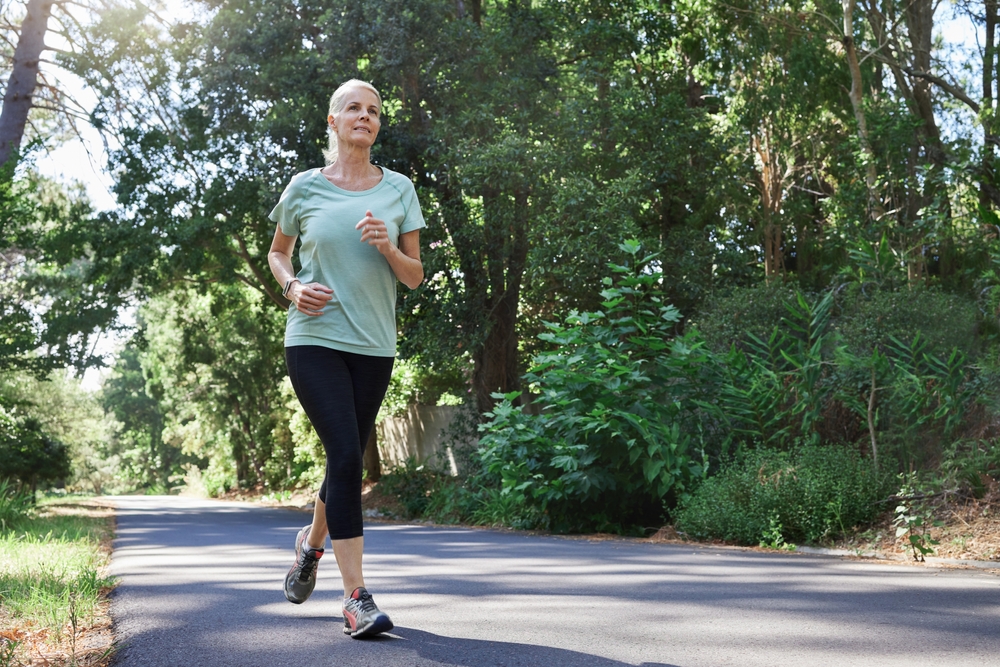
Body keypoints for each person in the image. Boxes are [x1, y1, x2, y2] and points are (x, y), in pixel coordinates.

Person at [267, 79, 424, 639]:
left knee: (344, 460)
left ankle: (310, 547)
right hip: (312, 337)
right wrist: (291, 287)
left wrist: (386, 245)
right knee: (343, 451)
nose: (366, 116)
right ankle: (356, 598)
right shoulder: (306, 187)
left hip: (374, 345)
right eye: (354, 108)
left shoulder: (400, 189)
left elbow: (414, 276)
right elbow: (278, 252)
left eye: (374, 110)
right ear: (333, 122)